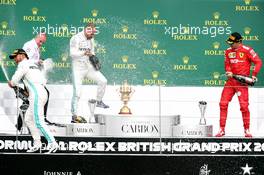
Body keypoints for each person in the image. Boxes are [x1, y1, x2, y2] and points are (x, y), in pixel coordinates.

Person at [8, 49, 58, 153]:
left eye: (15, 57)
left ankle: (53, 142)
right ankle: (37, 144)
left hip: (36, 95)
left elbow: (14, 81)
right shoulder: (33, 64)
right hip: (42, 92)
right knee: (28, 119)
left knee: (39, 121)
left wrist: (11, 83)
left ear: (22, 55)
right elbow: (41, 80)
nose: (15, 60)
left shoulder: (22, 64)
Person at [215, 32, 262, 138]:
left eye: (232, 43)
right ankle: (221, 129)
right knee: (223, 104)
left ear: (239, 42)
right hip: (231, 81)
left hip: (242, 83)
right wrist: (228, 71)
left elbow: (258, 62)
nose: (230, 45)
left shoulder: (247, 50)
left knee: (244, 107)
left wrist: (254, 75)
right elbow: (227, 64)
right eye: (229, 43)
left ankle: (247, 130)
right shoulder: (227, 51)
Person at [70, 23, 109, 123]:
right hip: (78, 68)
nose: (93, 36)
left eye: (93, 34)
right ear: (86, 31)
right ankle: (74, 116)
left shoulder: (91, 39)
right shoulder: (76, 38)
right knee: (77, 93)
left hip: (88, 66)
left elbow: (92, 52)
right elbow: (72, 54)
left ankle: (99, 101)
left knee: (103, 81)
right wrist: (83, 53)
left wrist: (93, 57)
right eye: (91, 34)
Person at [22, 33, 53, 125]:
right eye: (40, 41)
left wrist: (40, 62)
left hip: (33, 76)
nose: (41, 44)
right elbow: (24, 60)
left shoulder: (36, 46)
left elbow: (33, 61)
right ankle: (41, 118)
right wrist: (37, 61)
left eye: (42, 43)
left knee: (29, 100)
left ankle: (21, 124)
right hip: (28, 76)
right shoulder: (29, 45)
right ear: (37, 37)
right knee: (44, 94)